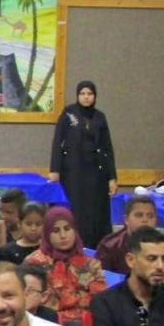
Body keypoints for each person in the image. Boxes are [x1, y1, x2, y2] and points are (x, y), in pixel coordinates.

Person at [49, 80, 116, 248]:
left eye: (90, 94)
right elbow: (57, 142)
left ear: (95, 96)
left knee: (96, 211)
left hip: (96, 174)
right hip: (73, 172)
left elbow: (107, 148)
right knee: (75, 209)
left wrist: (112, 177)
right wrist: (54, 169)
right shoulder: (68, 113)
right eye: (82, 94)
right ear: (78, 95)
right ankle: (74, 245)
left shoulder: (100, 117)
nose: (86, 97)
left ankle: (94, 248)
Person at [26, 206, 105, 326]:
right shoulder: (35, 263)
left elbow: (100, 299)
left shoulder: (91, 263)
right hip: (50, 324)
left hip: (89, 321)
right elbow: (41, 303)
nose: (63, 235)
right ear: (47, 233)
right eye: (56, 230)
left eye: (67, 229)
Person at [94, 195, 164, 275]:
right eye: (139, 215)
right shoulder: (109, 245)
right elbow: (100, 281)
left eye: (150, 216)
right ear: (126, 219)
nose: (145, 220)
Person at [0, 200, 45, 266]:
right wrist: (24, 265)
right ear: (19, 223)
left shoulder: (50, 249)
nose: (33, 228)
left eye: (38, 224)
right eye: (28, 224)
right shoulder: (6, 252)